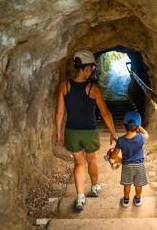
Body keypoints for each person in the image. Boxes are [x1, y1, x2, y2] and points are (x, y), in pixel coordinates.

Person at [55, 50, 118, 212]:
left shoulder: (65, 86)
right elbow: (105, 112)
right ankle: (95, 187)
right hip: (89, 132)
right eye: (92, 68)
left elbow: (60, 113)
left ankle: (80, 197)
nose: (93, 71)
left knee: (78, 163)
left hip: (72, 131)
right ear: (88, 68)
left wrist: (58, 132)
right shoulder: (93, 88)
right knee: (92, 160)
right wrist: (113, 132)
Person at [112, 111, 149, 207]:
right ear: (138, 126)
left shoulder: (121, 140)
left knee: (127, 184)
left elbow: (115, 154)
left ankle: (126, 201)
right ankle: (137, 200)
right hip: (139, 165)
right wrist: (139, 126)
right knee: (138, 184)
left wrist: (111, 156)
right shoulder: (141, 138)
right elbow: (147, 134)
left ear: (124, 126)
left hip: (127, 166)